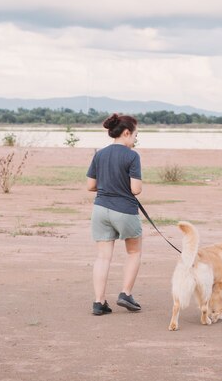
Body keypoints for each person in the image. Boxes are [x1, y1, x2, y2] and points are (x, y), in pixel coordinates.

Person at [86, 113, 143, 316]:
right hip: (124, 210)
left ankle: (99, 302)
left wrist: (108, 185)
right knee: (134, 252)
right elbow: (135, 189)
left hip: (100, 210)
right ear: (126, 133)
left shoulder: (100, 154)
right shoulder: (132, 156)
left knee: (103, 257)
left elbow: (90, 185)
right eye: (136, 135)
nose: (136, 139)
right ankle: (125, 293)